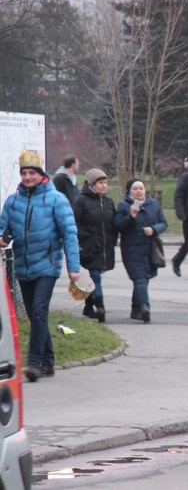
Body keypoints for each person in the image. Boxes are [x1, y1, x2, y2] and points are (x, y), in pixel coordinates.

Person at [0, 150, 80, 382]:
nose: (27, 177)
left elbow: (70, 234)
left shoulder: (56, 200)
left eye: (31, 173)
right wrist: (4, 238)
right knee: (37, 316)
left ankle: (34, 362)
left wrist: (73, 268)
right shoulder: (13, 201)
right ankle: (49, 362)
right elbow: (4, 228)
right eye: (24, 173)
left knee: (38, 310)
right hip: (23, 267)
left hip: (48, 264)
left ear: (41, 174)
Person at [114, 178, 168, 323]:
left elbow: (163, 223)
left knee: (144, 279)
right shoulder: (124, 206)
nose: (139, 191)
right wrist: (130, 216)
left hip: (149, 248)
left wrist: (154, 229)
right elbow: (118, 226)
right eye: (135, 189)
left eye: (141, 188)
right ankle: (145, 307)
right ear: (129, 192)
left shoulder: (154, 204)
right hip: (132, 249)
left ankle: (135, 309)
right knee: (140, 278)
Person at [73, 168, 117, 322]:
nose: (104, 186)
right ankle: (100, 306)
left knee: (94, 277)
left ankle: (88, 306)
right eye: (100, 183)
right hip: (89, 245)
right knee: (96, 276)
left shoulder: (108, 202)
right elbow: (75, 223)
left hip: (104, 247)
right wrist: (85, 236)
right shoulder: (82, 201)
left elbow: (113, 224)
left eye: (105, 183)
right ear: (92, 184)